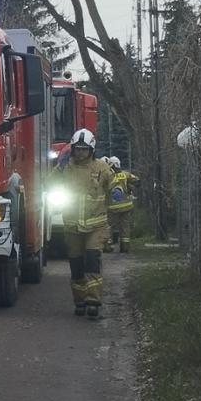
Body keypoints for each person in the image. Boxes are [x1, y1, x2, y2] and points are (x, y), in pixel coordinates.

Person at [52, 129, 115, 317]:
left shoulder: (101, 168)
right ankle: (79, 301)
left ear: (91, 150)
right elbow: (48, 184)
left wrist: (116, 200)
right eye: (77, 149)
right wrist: (59, 169)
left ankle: (93, 300)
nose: (80, 152)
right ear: (72, 149)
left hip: (96, 226)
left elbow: (113, 187)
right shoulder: (65, 168)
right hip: (72, 226)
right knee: (76, 264)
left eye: (84, 149)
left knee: (92, 260)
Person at [106, 156, 141, 253]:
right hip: (126, 206)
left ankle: (108, 245)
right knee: (125, 226)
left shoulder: (108, 176)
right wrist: (129, 187)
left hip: (112, 207)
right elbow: (137, 181)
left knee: (108, 225)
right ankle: (125, 247)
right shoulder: (125, 174)